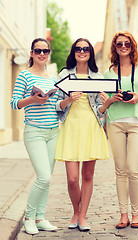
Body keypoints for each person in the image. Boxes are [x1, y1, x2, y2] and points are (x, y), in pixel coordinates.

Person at [103, 31, 138, 229]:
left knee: (133, 169)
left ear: (133, 45)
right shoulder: (109, 72)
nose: (123, 46)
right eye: (119, 44)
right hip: (116, 122)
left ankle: (136, 214)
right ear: (115, 47)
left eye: (127, 43)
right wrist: (112, 98)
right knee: (120, 170)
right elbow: (105, 102)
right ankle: (123, 215)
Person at [55, 38, 110, 231]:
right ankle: (75, 211)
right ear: (73, 52)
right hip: (71, 126)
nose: (82, 51)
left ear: (90, 53)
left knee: (87, 175)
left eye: (86, 48)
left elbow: (101, 110)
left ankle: (83, 216)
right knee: (72, 178)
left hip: (91, 125)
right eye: (78, 48)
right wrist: (68, 99)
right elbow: (57, 105)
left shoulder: (98, 76)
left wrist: (107, 103)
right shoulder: (64, 74)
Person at [10, 38, 59, 235]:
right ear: (31, 53)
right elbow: (14, 103)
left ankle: (40, 217)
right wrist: (33, 99)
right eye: (38, 51)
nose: (42, 54)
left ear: (49, 54)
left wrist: (67, 101)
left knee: (47, 179)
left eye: (45, 51)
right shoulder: (24, 75)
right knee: (43, 176)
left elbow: (55, 106)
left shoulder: (52, 78)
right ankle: (28, 218)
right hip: (34, 131)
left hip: (54, 131)